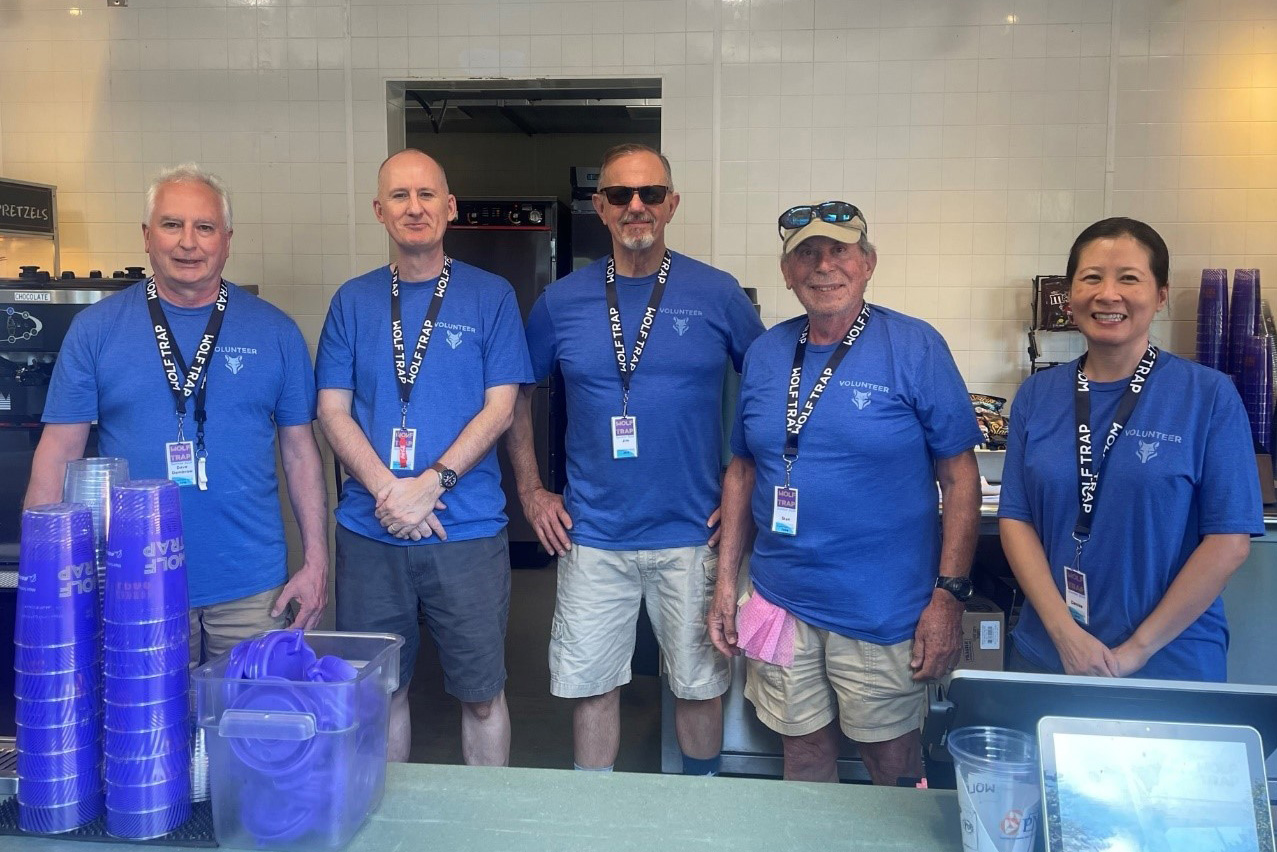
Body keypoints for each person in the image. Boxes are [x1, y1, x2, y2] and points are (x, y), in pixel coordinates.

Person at [507, 143, 765, 774]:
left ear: (672, 203)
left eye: (650, 193)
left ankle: (698, 815)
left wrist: (744, 502)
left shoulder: (717, 293)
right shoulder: (562, 302)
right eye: (620, 195)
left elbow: (769, 388)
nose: (636, 206)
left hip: (691, 533)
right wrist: (534, 492)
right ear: (601, 207)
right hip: (593, 537)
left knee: (699, 686)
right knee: (594, 686)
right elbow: (515, 395)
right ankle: (598, 818)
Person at [708, 201, 982, 784]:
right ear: (787, 272)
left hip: (882, 610)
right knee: (802, 754)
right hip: (783, 600)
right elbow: (743, 471)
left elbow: (961, 478)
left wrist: (948, 597)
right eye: (807, 253)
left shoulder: (914, 346)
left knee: (891, 763)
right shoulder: (765, 352)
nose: (823, 266)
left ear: (868, 264)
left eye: (839, 251)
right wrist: (725, 586)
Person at [26, 163, 329, 664]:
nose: (188, 242)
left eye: (204, 227)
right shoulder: (95, 330)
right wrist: (44, 578)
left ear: (227, 240)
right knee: (149, 733)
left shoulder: (276, 332)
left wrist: (316, 562)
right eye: (172, 225)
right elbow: (58, 453)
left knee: (250, 731)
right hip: (135, 582)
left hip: (251, 586)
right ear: (147, 237)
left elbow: (301, 454)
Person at [316, 148, 531, 765]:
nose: (415, 208)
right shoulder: (352, 302)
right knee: (382, 692)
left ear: (450, 207)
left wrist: (430, 485)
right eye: (401, 196)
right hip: (370, 532)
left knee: (483, 696)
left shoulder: (490, 297)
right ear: (379, 210)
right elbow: (333, 410)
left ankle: (485, 826)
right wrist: (392, 492)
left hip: (464, 531)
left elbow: (501, 407)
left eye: (428, 194)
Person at [998, 217, 1262, 682]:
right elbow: (1016, 521)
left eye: (1129, 278)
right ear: (1071, 292)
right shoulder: (1037, 396)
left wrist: (1136, 651)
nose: (1108, 294)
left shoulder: (1208, 396)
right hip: (1050, 655)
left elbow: (1228, 543)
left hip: (1170, 661)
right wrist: (1065, 636)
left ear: (1160, 295)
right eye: (1092, 277)